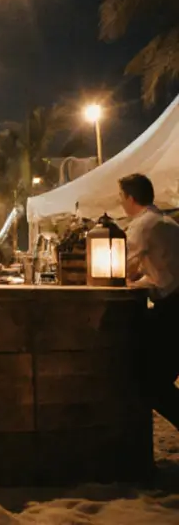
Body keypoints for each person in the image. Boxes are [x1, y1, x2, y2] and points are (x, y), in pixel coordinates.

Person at [120, 173, 179, 429]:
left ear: (130, 198)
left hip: (173, 308)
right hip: (172, 304)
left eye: (121, 196)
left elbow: (123, 268)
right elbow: (159, 269)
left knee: (151, 381)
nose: (120, 202)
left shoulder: (142, 225)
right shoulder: (165, 221)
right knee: (158, 377)